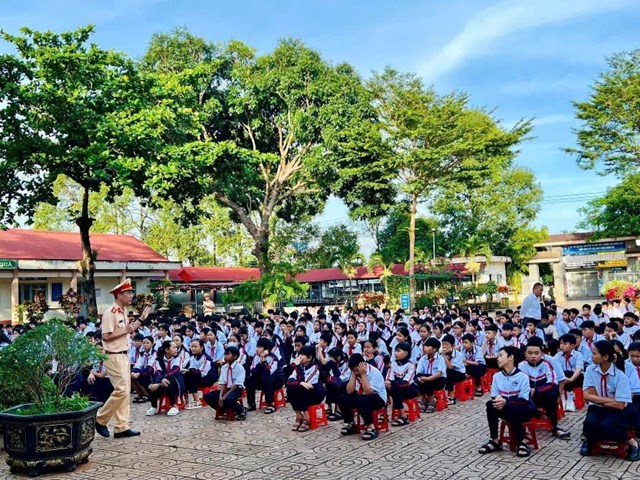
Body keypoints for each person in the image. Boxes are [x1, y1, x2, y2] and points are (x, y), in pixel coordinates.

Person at [95, 278, 150, 439]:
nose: (131, 295)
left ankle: (121, 427)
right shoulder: (110, 313)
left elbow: (129, 329)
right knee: (122, 390)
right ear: (120, 295)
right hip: (113, 356)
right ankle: (100, 419)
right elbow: (105, 336)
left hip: (124, 355)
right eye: (128, 293)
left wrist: (141, 319)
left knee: (124, 393)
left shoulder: (122, 312)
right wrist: (125, 330)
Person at [580, 340, 640, 461]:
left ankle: (632, 443)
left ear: (605, 357)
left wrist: (598, 399)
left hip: (615, 410)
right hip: (597, 407)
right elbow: (587, 395)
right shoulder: (590, 370)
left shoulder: (620, 375)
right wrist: (610, 399)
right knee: (589, 424)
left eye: (594, 353)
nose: (591, 356)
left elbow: (620, 405)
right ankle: (590, 440)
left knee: (607, 425)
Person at [478, 346, 537, 458]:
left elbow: (524, 400)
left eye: (501, 356)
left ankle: (522, 442)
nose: (498, 359)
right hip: (504, 408)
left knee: (513, 408)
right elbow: (494, 396)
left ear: (511, 357)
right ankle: (494, 440)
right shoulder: (497, 377)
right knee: (490, 405)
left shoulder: (523, 377)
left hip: (523, 409)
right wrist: (499, 401)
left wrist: (506, 401)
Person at [519, 336, 570, 440]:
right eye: (530, 353)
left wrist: (536, 391)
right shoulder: (521, 365)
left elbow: (553, 383)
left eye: (536, 353)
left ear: (542, 353)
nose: (533, 356)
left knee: (552, 394)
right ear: (525, 354)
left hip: (543, 395)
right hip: (527, 396)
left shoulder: (547, 363)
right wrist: (530, 391)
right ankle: (527, 424)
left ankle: (554, 427)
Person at [338, 353, 388, 441]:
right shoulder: (354, 373)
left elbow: (368, 391)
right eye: (354, 371)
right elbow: (349, 391)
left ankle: (371, 427)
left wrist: (363, 375)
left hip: (377, 398)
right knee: (343, 398)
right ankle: (350, 423)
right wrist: (353, 375)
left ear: (363, 364)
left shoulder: (374, 372)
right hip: (361, 396)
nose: (356, 372)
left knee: (363, 400)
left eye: (357, 370)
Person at [286, 345, 326, 432]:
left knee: (303, 388)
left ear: (309, 358)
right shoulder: (299, 367)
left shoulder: (315, 368)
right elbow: (290, 380)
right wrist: (298, 380)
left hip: (316, 393)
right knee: (290, 388)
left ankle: (306, 417)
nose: (300, 357)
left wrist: (299, 382)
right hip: (302, 390)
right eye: (300, 354)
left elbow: (307, 383)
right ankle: (298, 415)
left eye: (303, 355)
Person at [203, 346, 247, 420]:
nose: (225, 356)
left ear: (235, 356)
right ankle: (223, 409)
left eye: (227, 354)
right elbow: (223, 382)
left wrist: (225, 395)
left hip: (236, 389)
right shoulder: (224, 367)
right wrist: (221, 395)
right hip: (226, 388)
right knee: (208, 396)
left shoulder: (240, 368)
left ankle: (241, 410)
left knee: (228, 399)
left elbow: (237, 384)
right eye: (225, 354)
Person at [145, 340, 185, 417]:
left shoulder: (178, 358)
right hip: (162, 381)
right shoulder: (158, 360)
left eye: (176, 348)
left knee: (168, 381)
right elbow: (158, 372)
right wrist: (159, 382)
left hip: (176, 382)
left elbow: (175, 370)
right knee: (151, 384)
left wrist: (160, 382)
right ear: (166, 350)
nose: (176, 349)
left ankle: (174, 406)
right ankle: (153, 406)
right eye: (174, 348)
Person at [246, 338, 285, 413]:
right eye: (257, 347)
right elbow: (253, 371)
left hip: (276, 381)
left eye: (259, 347)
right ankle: (251, 404)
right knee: (249, 379)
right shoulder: (256, 357)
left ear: (266, 350)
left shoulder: (273, 358)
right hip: (262, 379)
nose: (257, 349)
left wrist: (264, 362)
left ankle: (271, 404)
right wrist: (260, 363)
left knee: (267, 379)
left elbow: (268, 372)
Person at [385, 342, 418, 427]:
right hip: (396, 388)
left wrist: (392, 383)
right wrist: (387, 382)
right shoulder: (393, 364)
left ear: (406, 353)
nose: (395, 353)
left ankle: (403, 416)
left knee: (396, 389)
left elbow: (406, 382)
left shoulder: (410, 365)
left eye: (398, 351)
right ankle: (384, 414)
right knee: (383, 390)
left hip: (409, 389)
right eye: (395, 351)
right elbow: (389, 377)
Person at [554, 333, 584, 412]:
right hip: (562, 379)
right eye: (560, 343)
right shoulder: (557, 356)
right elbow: (556, 370)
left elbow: (579, 368)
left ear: (572, 346)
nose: (562, 346)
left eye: (565, 344)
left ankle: (570, 397)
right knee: (563, 374)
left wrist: (571, 379)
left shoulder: (578, 355)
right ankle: (563, 398)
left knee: (568, 373)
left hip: (576, 378)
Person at [184, 338, 216, 409]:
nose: (193, 349)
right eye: (191, 346)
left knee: (190, 376)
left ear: (201, 348)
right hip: (198, 376)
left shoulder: (206, 358)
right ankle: (186, 400)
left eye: (195, 347)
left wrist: (190, 371)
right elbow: (188, 368)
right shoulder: (192, 357)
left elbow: (202, 373)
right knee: (184, 375)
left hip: (208, 378)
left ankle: (197, 400)